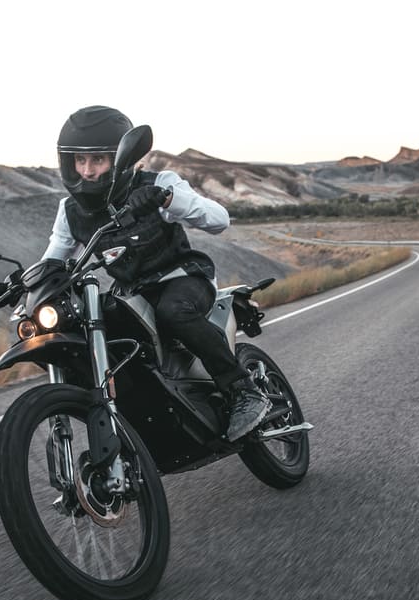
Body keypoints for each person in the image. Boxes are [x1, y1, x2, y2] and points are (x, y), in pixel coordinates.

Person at [39, 104, 272, 442]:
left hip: (184, 279)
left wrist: (166, 199)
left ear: (120, 161)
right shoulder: (70, 210)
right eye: (79, 160)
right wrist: (23, 282)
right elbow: (54, 259)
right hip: (134, 294)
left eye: (98, 160)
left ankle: (244, 390)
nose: (87, 171)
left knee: (172, 310)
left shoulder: (159, 183)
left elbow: (219, 219)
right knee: (97, 328)